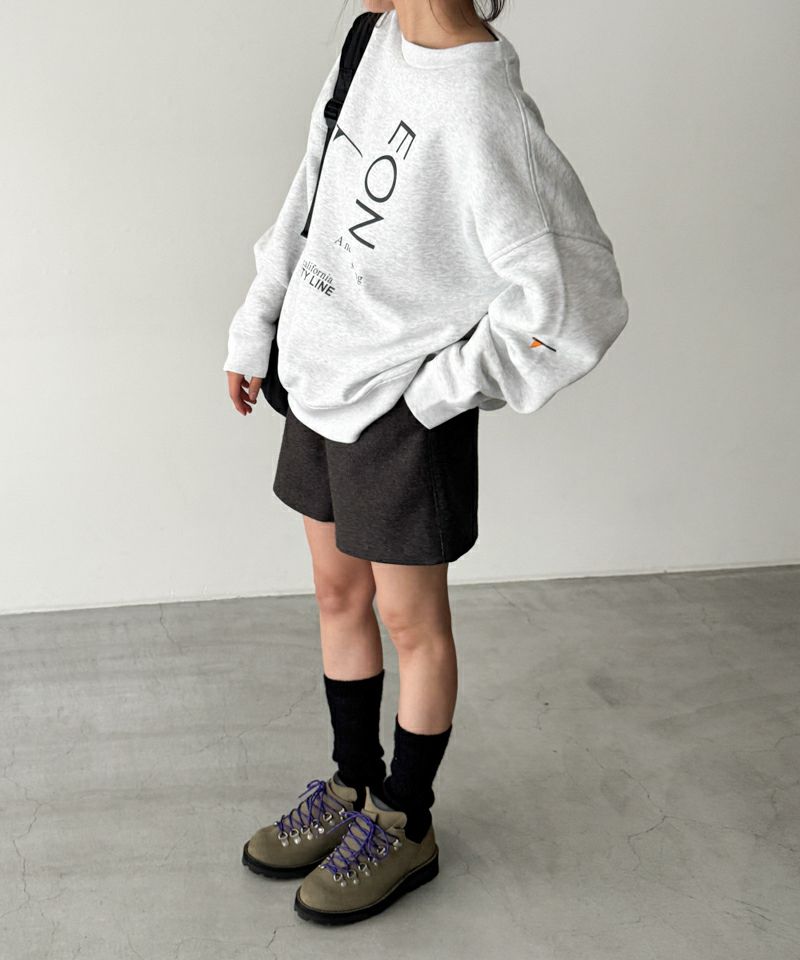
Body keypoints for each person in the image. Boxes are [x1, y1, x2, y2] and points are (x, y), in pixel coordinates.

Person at [223, 0, 629, 925]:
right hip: (316, 375)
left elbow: (580, 300)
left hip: (398, 409)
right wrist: (257, 324)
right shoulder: (369, 36)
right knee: (338, 595)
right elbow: (313, 192)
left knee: (411, 622)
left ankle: (405, 821)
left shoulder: (483, 105)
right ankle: (352, 786)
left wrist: (437, 393)